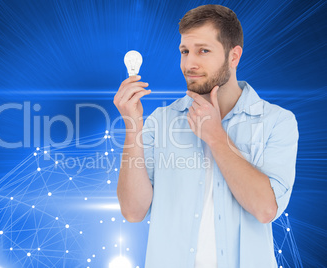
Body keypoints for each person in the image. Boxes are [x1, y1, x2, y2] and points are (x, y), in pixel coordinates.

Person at [113, 4, 298, 268]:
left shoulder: (276, 122)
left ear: (234, 57)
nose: (189, 63)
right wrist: (132, 125)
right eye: (185, 51)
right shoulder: (160, 122)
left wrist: (216, 137)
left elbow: (266, 209)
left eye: (203, 51)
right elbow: (133, 211)